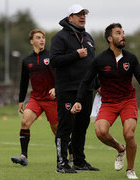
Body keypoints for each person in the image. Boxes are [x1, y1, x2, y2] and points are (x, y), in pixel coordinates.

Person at [71, 23, 138, 179]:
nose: (123, 36)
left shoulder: (131, 58)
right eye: (118, 33)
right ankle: (120, 149)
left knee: (129, 134)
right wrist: (78, 100)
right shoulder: (100, 60)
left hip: (128, 101)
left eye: (123, 32)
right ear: (110, 38)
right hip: (108, 102)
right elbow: (86, 81)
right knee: (100, 132)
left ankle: (130, 169)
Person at [50, 4, 99, 173]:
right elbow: (54, 60)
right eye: (78, 14)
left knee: (81, 126)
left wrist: (98, 85)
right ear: (70, 18)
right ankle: (62, 164)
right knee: (65, 126)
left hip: (86, 90)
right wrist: (75, 55)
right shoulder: (60, 37)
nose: (82, 16)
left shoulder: (89, 38)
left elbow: (93, 66)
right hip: (67, 89)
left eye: (84, 14)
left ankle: (79, 161)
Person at [11, 29, 58, 166]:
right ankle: (23, 156)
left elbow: (61, 75)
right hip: (36, 98)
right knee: (25, 122)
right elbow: (24, 81)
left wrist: (57, 88)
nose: (42, 39)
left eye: (43, 37)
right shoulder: (27, 61)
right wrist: (21, 100)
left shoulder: (52, 57)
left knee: (57, 130)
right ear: (32, 41)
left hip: (52, 99)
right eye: (38, 37)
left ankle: (69, 154)